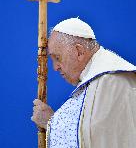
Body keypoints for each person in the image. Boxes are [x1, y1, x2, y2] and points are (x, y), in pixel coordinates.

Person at [31, 18, 136, 148]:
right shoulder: (99, 78)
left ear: (79, 52)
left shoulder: (111, 81)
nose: (55, 67)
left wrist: (51, 123)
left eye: (57, 58)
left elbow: (100, 137)